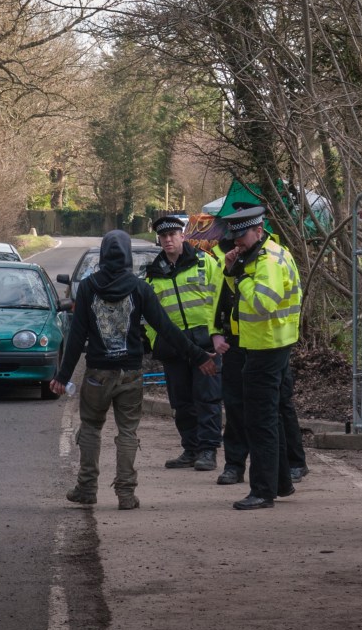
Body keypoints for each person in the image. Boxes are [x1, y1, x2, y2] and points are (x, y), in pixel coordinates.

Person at [50, 229, 217, 510]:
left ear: (103, 255)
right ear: (128, 255)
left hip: (97, 374)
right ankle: (126, 494)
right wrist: (199, 356)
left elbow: (77, 336)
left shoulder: (89, 287)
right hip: (131, 373)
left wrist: (62, 376)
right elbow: (166, 328)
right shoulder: (140, 288)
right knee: (127, 432)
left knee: (90, 428)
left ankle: (87, 488)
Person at [214, 212, 310, 488]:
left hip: (267, 345)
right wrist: (234, 273)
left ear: (258, 230)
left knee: (261, 421)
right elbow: (238, 299)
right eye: (234, 237)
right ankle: (281, 482)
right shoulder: (263, 254)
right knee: (270, 417)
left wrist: (239, 274)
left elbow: (261, 305)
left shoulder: (267, 261)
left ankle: (263, 489)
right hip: (266, 343)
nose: (237, 242)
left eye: (242, 236)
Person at [143, 213, 227, 473]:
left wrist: (219, 334)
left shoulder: (205, 263)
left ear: (182, 236)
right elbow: (149, 317)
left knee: (208, 399)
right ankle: (190, 449)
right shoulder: (154, 273)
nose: (168, 240)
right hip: (174, 347)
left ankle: (208, 450)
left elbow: (221, 300)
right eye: (163, 236)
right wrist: (156, 343)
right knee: (181, 402)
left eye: (172, 235)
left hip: (204, 345)